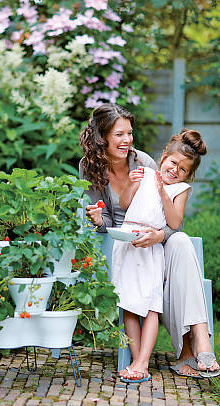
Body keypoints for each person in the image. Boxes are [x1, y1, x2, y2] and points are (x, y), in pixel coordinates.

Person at [79, 103, 219, 380]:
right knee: (174, 247)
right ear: (103, 136)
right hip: (117, 245)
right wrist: (97, 220)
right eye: (119, 134)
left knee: (178, 241)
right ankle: (187, 350)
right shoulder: (89, 167)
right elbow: (108, 220)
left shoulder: (144, 162)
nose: (127, 140)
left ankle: (199, 342)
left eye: (129, 133)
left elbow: (167, 219)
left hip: (152, 244)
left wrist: (159, 235)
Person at [110, 129, 204, 382]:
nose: (175, 171)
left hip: (151, 249)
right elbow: (124, 204)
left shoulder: (179, 190)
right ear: (163, 157)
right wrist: (131, 183)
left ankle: (141, 363)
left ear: (188, 175)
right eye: (173, 163)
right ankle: (138, 360)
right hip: (128, 245)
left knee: (151, 306)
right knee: (128, 304)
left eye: (183, 169)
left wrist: (164, 192)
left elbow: (174, 221)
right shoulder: (146, 173)